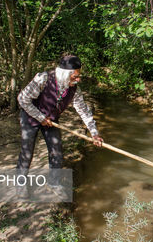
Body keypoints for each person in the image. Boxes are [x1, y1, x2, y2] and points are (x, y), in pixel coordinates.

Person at [16, 54, 103, 198]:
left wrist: (94, 133)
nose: (78, 79)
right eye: (75, 76)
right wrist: (40, 117)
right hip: (30, 116)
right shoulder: (43, 79)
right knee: (27, 151)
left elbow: (84, 111)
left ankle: (54, 183)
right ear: (65, 74)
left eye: (79, 75)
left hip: (51, 120)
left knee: (57, 151)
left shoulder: (75, 90)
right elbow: (22, 99)